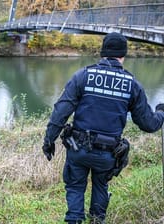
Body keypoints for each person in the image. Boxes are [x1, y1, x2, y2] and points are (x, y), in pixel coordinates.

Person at [42, 32, 164, 224]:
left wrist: (49, 140)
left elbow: (60, 112)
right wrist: (161, 113)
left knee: (75, 187)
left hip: (78, 149)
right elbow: (149, 124)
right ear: (123, 55)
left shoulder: (82, 76)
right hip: (108, 154)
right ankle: (97, 220)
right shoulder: (132, 85)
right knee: (100, 185)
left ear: (102, 52)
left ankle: (74, 220)